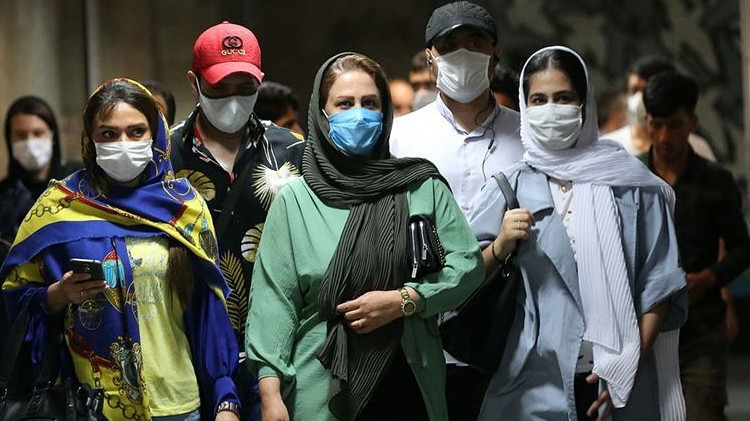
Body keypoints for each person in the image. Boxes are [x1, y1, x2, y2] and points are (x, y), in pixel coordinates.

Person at [245, 52, 484, 421]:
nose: (359, 114)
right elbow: (274, 303)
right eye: (344, 104)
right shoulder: (296, 201)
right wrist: (270, 392)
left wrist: (405, 300)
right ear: (321, 115)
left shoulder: (420, 187)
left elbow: (467, 266)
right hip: (320, 387)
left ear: (384, 112)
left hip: (409, 382)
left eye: (370, 103)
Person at [0, 78, 240, 421]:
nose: (123, 144)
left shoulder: (184, 207)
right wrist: (57, 295)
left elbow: (207, 313)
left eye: (136, 131)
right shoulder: (58, 208)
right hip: (93, 407)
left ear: (156, 135)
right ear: (90, 138)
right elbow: (12, 301)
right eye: (109, 134)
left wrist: (225, 399)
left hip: (179, 403)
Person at [469, 46, 687, 420]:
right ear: (524, 107)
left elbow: (659, 285)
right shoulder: (509, 187)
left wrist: (628, 366)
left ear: (583, 104)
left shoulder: (632, 185)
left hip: (620, 380)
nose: (551, 109)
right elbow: (463, 274)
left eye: (563, 98)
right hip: (532, 382)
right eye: (539, 100)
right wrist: (501, 245)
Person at [389, 2, 523, 417]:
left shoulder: (526, 135)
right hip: (419, 331)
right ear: (430, 56)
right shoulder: (401, 137)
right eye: (449, 46)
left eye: (474, 43)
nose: (462, 54)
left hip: (507, 333)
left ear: (495, 52)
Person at [170, 21, 305, 421]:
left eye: (245, 87)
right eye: (219, 87)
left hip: (279, 352)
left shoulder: (292, 152)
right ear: (194, 83)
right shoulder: (164, 156)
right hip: (188, 351)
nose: (232, 100)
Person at [641, 71, 750, 421]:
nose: (664, 137)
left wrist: (709, 279)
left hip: (701, 330)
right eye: (656, 125)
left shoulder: (716, 182)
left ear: (692, 122)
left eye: (674, 125)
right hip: (645, 329)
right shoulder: (633, 179)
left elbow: (742, 248)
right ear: (646, 123)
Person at [1, 96, 78, 260]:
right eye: (21, 135)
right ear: (10, 140)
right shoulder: (4, 196)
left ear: (52, 136)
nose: (30, 142)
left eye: (38, 133)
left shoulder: (78, 180)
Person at [606, 54, 715, 160]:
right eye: (634, 90)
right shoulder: (608, 147)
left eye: (646, 91)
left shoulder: (696, 149)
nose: (639, 98)